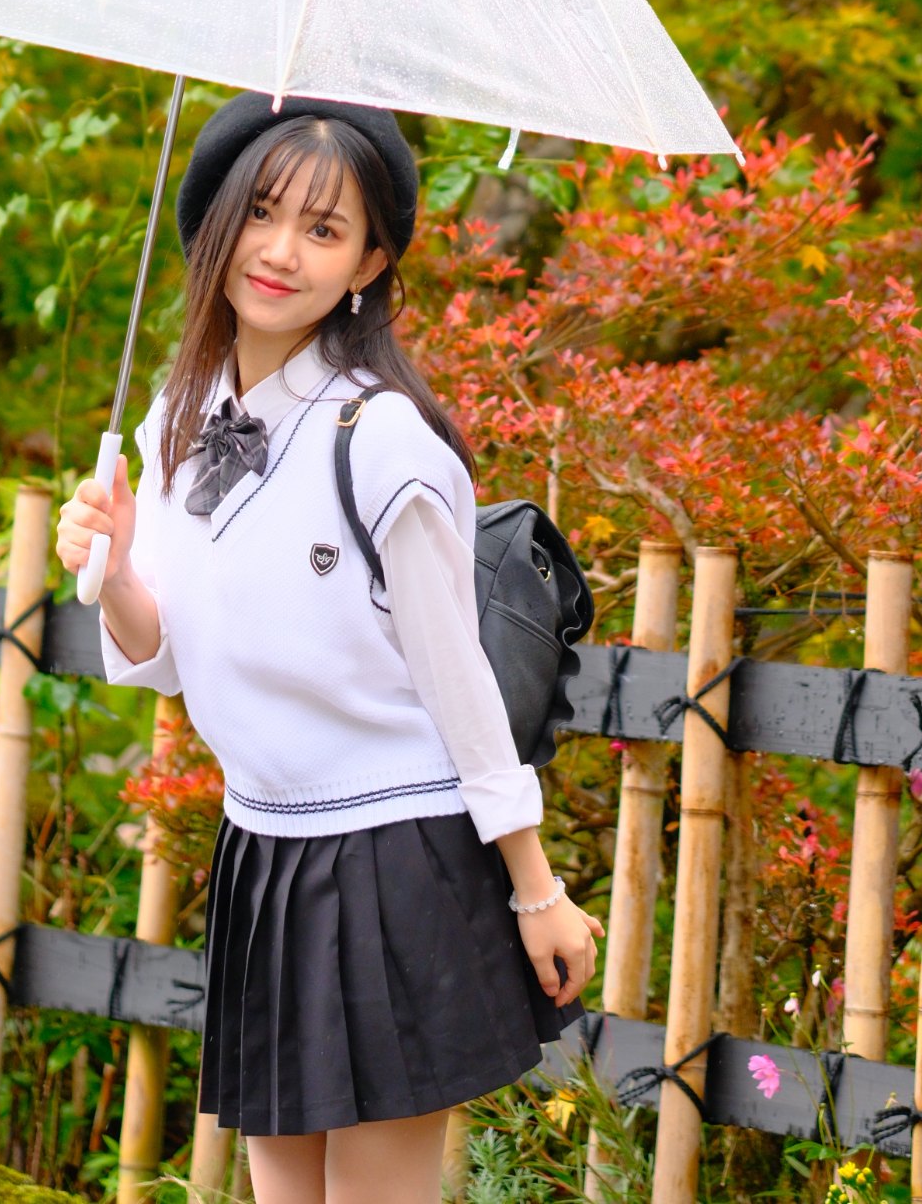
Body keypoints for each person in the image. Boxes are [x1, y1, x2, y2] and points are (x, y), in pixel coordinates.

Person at [56, 92, 601, 1204]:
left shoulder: (382, 438)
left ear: (366, 264)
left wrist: (535, 890)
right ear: (214, 225)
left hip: (395, 856)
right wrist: (113, 573)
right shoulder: (184, 412)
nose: (280, 251)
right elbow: (160, 648)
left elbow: (460, 687)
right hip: (265, 850)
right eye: (261, 213)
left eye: (323, 228)